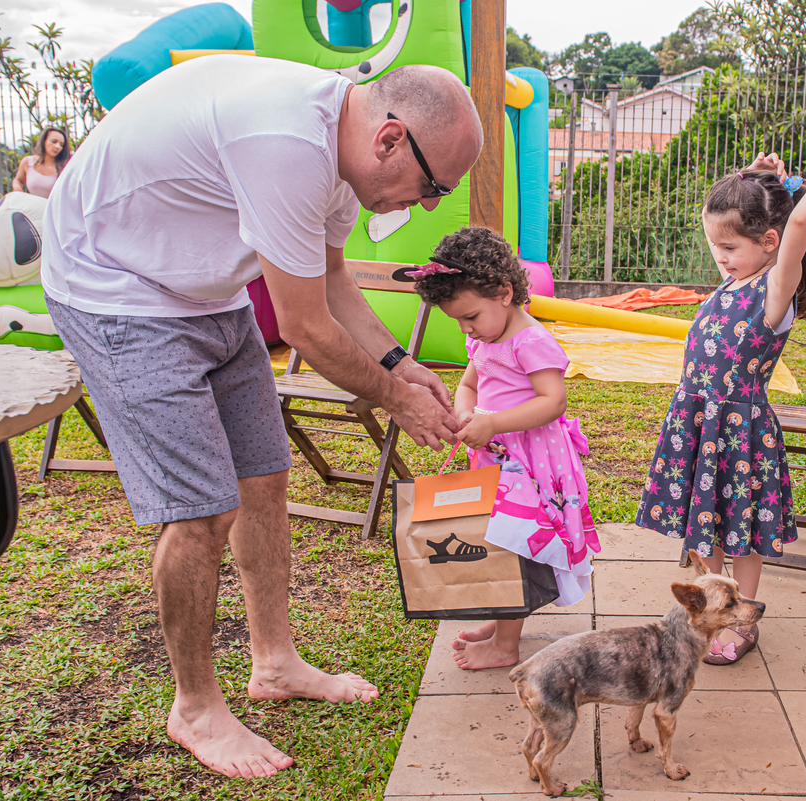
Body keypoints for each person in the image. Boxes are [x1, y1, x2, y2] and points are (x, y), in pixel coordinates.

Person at [40, 55, 483, 779]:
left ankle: (274, 662)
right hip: (115, 284)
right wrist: (395, 399)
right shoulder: (287, 145)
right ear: (391, 139)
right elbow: (306, 329)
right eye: (434, 186)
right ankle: (194, 706)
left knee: (265, 479)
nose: (431, 205)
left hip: (206, 289)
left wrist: (403, 366)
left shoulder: (346, 163)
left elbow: (334, 282)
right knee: (200, 510)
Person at [634, 137, 806, 665]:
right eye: (716, 245)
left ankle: (743, 618)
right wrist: (753, 178)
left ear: (771, 242)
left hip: (738, 431)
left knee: (743, 529)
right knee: (704, 523)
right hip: (698, 425)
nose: (720, 257)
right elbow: (741, 220)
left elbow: (798, 226)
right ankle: (711, 606)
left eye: (730, 249)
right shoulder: (733, 282)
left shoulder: (775, 291)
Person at [410, 226, 600, 670]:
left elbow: (553, 402)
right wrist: (466, 416)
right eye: (458, 320)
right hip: (496, 458)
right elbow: (469, 384)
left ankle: (506, 645)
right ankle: (501, 624)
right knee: (495, 541)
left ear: (504, 292)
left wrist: (492, 422)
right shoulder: (485, 336)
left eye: (470, 317)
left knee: (516, 545)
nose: (465, 328)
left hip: (531, 465)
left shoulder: (531, 341)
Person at [12, 127, 71, 198]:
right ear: (44, 141)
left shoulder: (65, 167)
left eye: (61, 145)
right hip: (32, 207)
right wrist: (17, 189)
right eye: (54, 141)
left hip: (55, 208)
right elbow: (19, 180)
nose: (57, 146)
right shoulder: (28, 162)